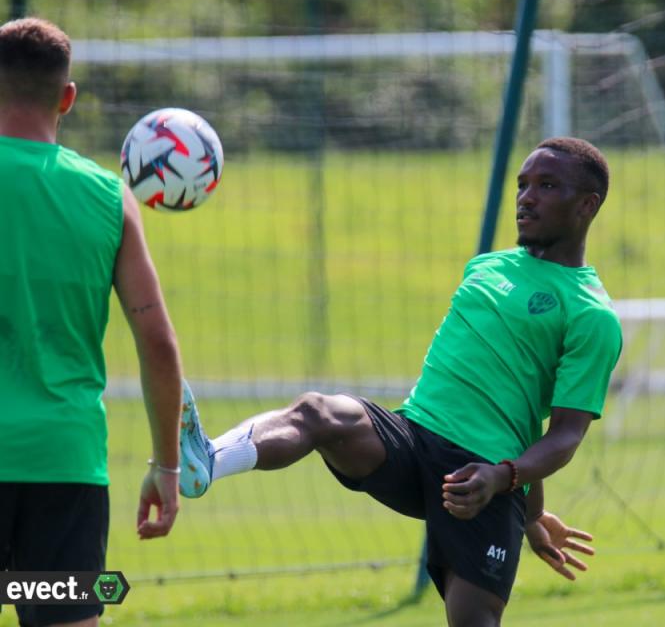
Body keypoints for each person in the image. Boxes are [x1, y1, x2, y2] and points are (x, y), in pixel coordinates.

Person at [179, 136, 622, 626]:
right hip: (412, 438)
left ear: (587, 205)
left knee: (472, 621)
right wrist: (532, 509)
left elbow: (563, 436)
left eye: (546, 185)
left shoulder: (591, 314)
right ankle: (209, 459)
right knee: (318, 413)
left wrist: (514, 493)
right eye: (522, 184)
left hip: (477, 477)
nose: (526, 197)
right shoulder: (487, 266)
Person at [0, 17, 183, 627]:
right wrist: (166, 465)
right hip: (66, 468)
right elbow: (156, 341)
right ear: (67, 98)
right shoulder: (109, 196)